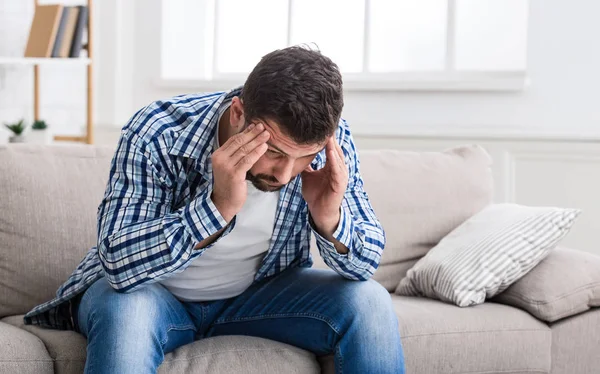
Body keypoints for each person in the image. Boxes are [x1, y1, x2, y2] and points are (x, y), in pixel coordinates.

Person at [24, 45, 405, 373]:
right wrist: (216, 208)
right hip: (152, 294)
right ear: (238, 113)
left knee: (369, 302)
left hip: (257, 297)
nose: (286, 173)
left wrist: (329, 218)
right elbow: (118, 266)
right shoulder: (158, 131)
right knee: (127, 316)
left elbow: (366, 264)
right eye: (273, 152)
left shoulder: (330, 144)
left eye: (302, 157)